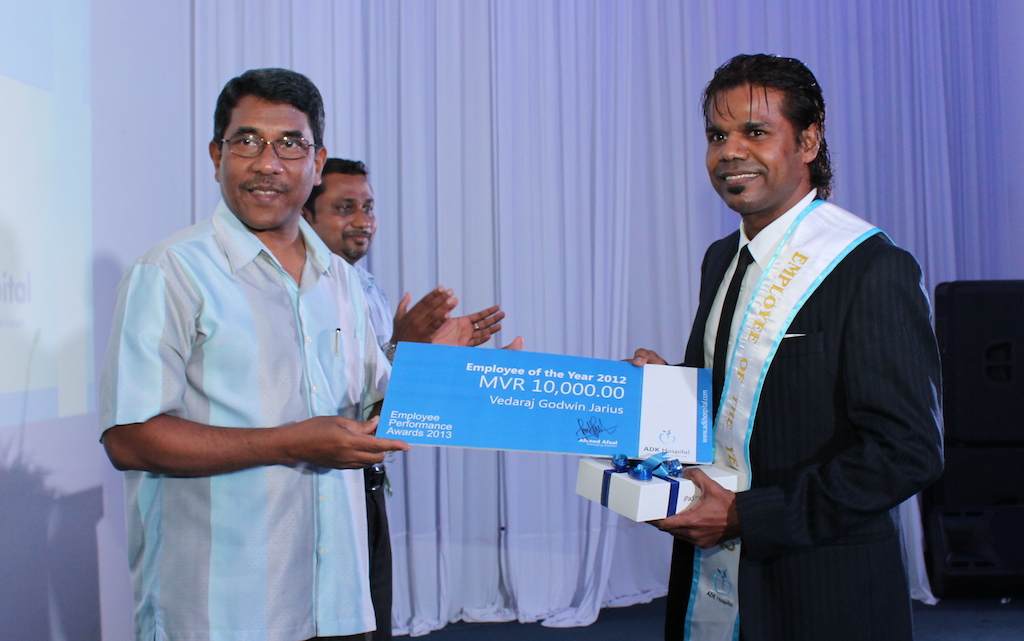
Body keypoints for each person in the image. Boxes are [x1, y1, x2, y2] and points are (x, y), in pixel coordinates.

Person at [630, 54, 943, 641]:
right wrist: (667, 388)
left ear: (809, 140)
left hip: (825, 590)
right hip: (717, 578)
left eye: (755, 132)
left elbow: (908, 452)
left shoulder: (870, 268)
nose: (730, 152)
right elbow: (741, 398)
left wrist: (747, 516)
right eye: (717, 136)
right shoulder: (722, 259)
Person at [99, 68, 408, 641]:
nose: (268, 163)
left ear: (317, 163)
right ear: (217, 156)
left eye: (290, 144)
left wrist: (440, 372)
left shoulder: (343, 280)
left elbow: (370, 409)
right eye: (247, 141)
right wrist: (292, 441)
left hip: (338, 603)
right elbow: (129, 438)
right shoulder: (169, 271)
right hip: (221, 612)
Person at [301, 158, 518, 641]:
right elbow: (335, 396)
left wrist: (446, 364)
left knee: (371, 624)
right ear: (306, 215)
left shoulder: (366, 287)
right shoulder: (301, 291)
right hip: (319, 491)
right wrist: (405, 348)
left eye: (368, 207)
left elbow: (386, 397)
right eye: (345, 208)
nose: (363, 220)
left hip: (368, 483)